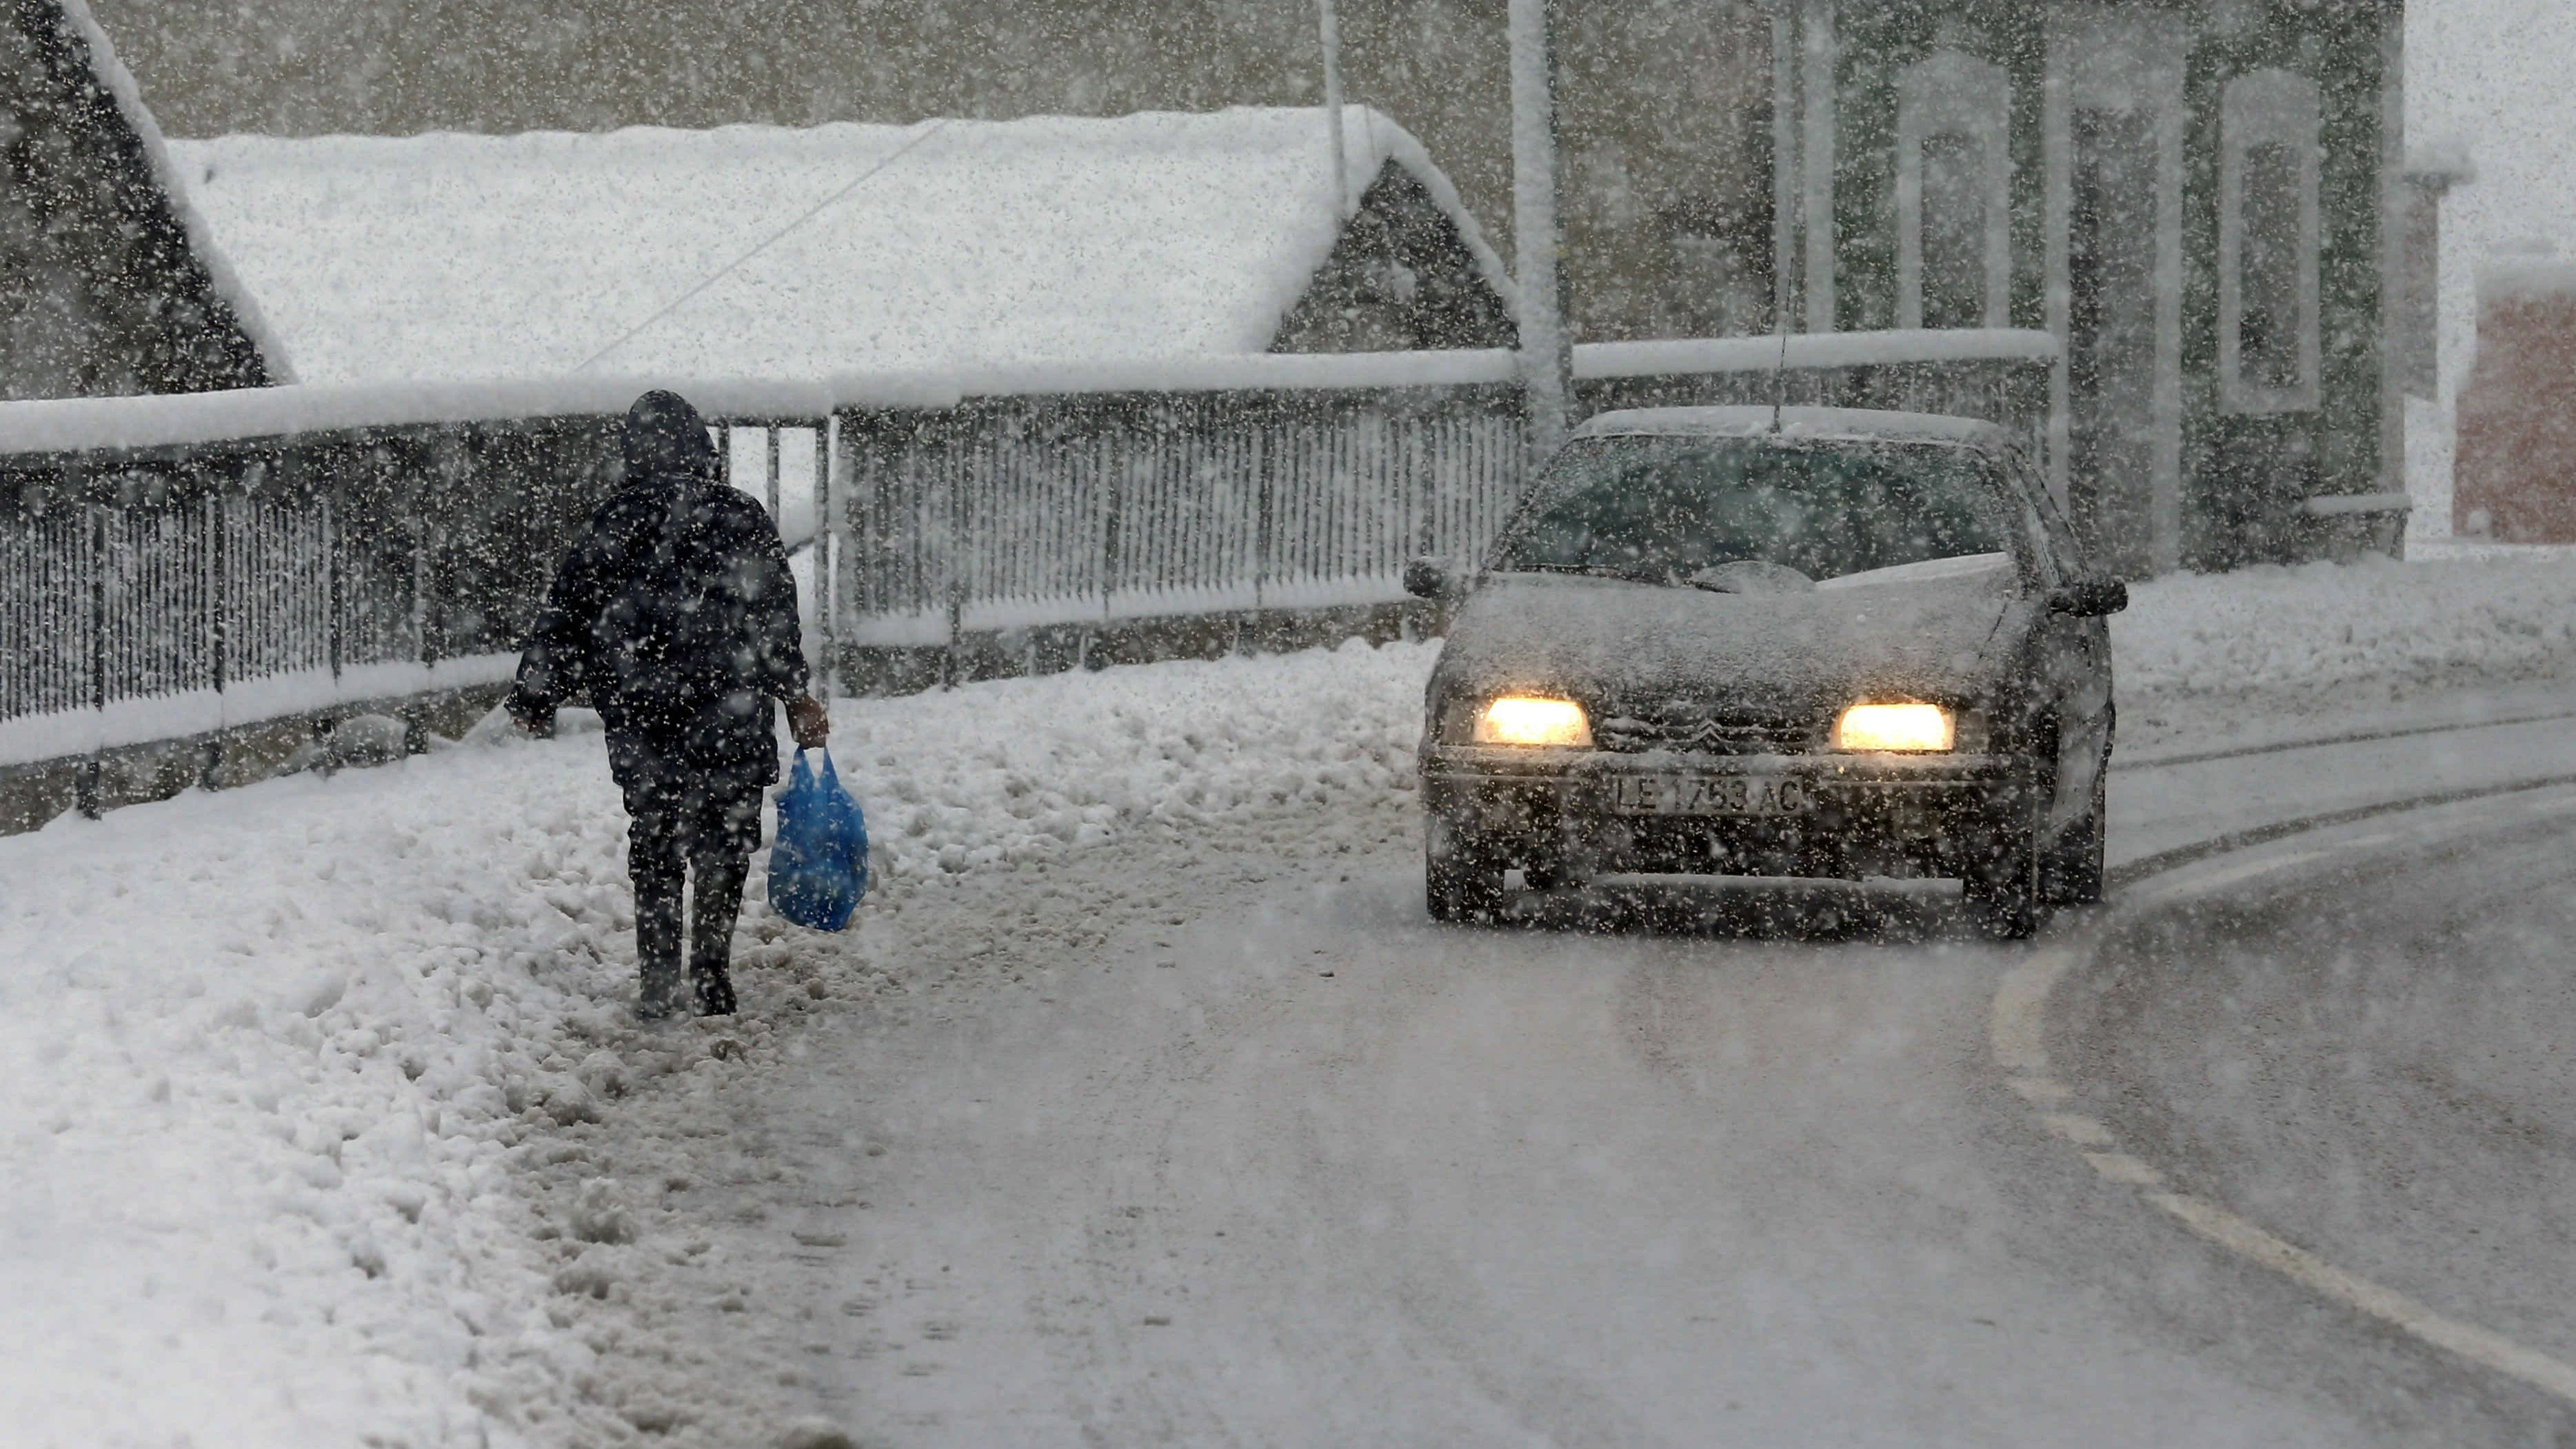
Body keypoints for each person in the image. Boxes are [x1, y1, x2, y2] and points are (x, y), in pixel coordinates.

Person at [505, 390, 830, 1019]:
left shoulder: (613, 522)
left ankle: (658, 983)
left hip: (644, 713)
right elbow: (773, 617)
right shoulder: (740, 516)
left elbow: (567, 613)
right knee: (727, 838)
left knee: (655, 839)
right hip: (730, 706)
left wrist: (536, 693)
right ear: (702, 448)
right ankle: (711, 973)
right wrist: (793, 691)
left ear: (634, 454)